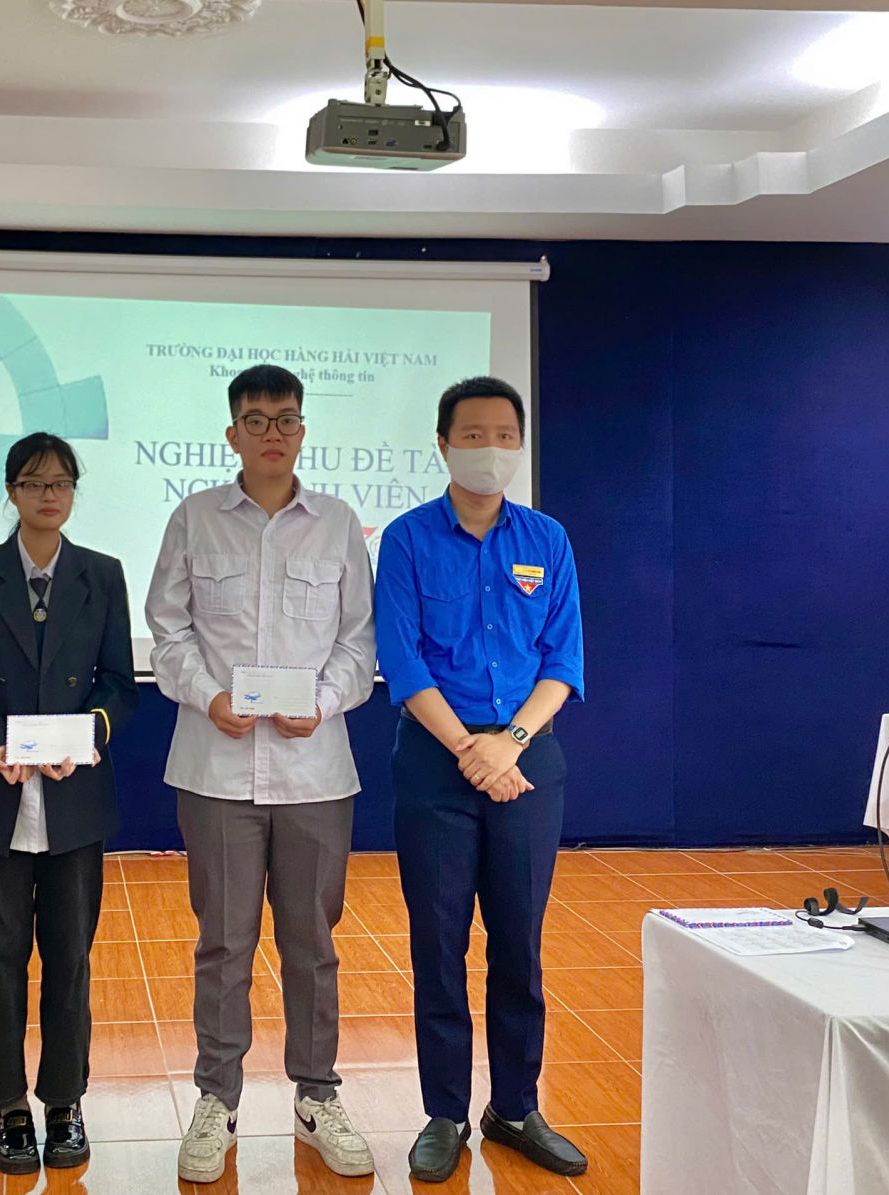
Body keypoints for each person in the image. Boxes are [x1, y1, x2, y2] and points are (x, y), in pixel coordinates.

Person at [145, 364, 378, 1185]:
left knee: (312, 942)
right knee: (223, 941)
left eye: (285, 419)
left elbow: (359, 641)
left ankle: (317, 1095)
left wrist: (325, 698)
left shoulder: (338, 522)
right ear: (232, 432)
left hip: (315, 771)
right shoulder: (194, 518)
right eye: (256, 419)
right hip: (216, 769)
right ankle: (218, 1098)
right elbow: (166, 629)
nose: (271, 433)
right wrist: (207, 694)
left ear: (303, 431)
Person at [374, 377, 587, 1183]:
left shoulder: (548, 539)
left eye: (504, 434)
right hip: (438, 760)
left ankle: (516, 1107)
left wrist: (512, 745)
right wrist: (472, 748)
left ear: (519, 445)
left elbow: (562, 660)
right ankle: (444, 1112)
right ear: (443, 444)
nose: (489, 448)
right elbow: (402, 660)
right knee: (438, 944)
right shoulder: (406, 539)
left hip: (529, 763)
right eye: (472, 434)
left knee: (519, 945)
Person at [0, 432, 139, 1178]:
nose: (49, 495)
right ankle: (8, 1103)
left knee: (70, 958)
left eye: (61, 483)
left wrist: (87, 736)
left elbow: (119, 685)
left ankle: (64, 1099)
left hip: (75, 797)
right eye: (33, 482)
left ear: (74, 492)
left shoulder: (102, 574)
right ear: (12, 492)